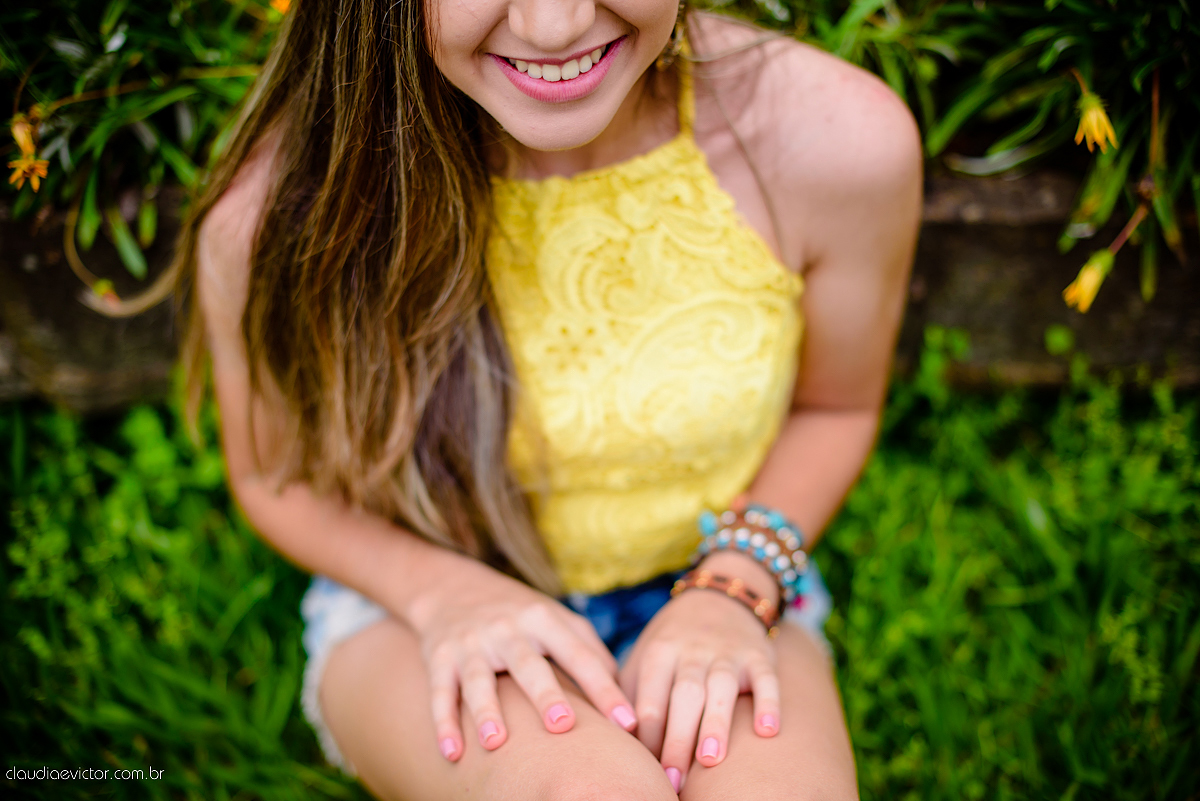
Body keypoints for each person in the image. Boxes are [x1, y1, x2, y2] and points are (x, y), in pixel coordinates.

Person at [177, 0, 921, 798]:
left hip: (717, 569)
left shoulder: (831, 139)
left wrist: (732, 584)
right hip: (424, 596)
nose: (554, 25)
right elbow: (274, 478)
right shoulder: (287, 209)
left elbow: (834, 409)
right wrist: (444, 594)